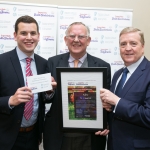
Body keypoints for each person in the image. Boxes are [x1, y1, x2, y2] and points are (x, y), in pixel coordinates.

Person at [43, 22, 111, 150]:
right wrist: (48, 91)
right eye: (72, 36)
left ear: (88, 40)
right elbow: (46, 98)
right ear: (65, 40)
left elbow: (107, 102)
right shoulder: (52, 62)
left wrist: (106, 123)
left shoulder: (102, 66)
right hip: (58, 134)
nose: (76, 40)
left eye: (81, 36)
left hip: (91, 136)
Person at [0, 15, 56, 150]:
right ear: (15, 35)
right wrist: (10, 101)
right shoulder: (1, 62)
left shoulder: (44, 63)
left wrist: (49, 92)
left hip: (33, 136)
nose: (29, 37)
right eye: (23, 33)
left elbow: (44, 99)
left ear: (38, 36)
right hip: (5, 138)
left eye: (33, 33)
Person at [100, 27, 150, 150]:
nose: (127, 48)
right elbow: (118, 110)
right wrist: (109, 110)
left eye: (133, 43)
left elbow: (148, 116)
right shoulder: (118, 74)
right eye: (123, 44)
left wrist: (116, 102)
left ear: (143, 47)